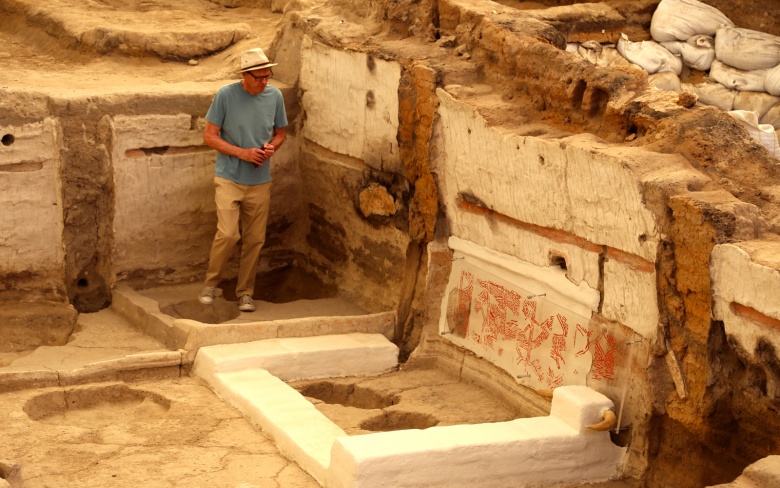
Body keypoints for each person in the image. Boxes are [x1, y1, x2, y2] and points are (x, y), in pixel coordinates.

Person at [198, 47, 288, 312]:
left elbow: (280, 133)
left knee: (255, 239)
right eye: (259, 77)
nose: (264, 82)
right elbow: (209, 136)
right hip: (228, 177)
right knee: (227, 234)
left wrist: (272, 147)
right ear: (245, 75)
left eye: (267, 76)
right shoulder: (226, 95)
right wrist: (243, 154)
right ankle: (211, 284)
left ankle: (245, 292)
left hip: (260, 180)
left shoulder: (275, 96)